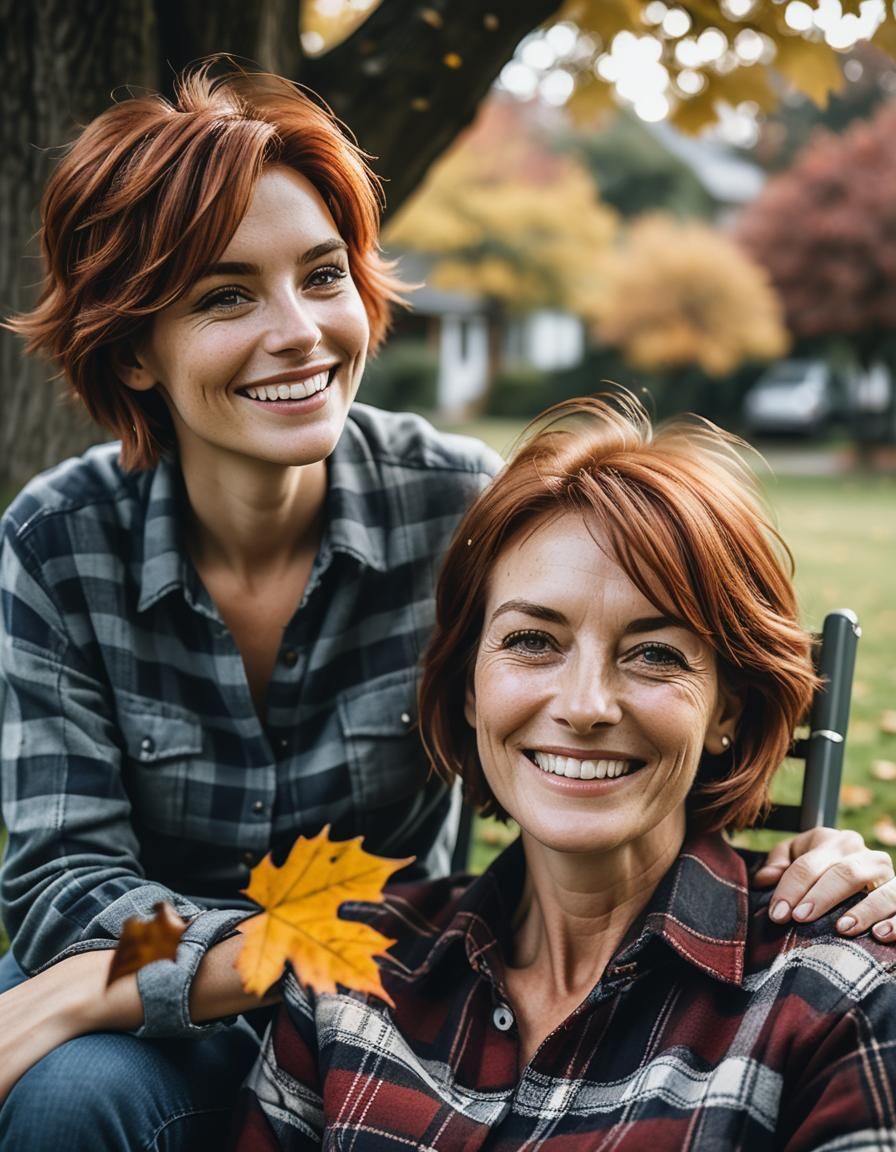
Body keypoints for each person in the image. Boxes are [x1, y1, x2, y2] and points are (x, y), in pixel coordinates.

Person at [0, 61, 892, 1150]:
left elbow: (627, 700)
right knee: (70, 1097)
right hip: (157, 1004)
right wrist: (205, 970)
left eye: (321, 276)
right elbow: (66, 886)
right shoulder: (59, 547)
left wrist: (818, 866)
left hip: (392, 995)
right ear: (133, 345)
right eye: (226, 295)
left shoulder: (460, 510)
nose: (299, 332)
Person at [236, 394, 896, 1151]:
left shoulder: (836, 992)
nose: (585, 706)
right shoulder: (347, 972)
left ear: (727, 713)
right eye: (533, 641)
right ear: (470, 689)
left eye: (655, 653)